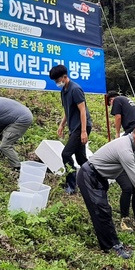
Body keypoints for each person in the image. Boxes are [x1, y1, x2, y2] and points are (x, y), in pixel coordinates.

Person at [77, 123, 135, 259]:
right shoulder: (125, 149)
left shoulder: (131, 145)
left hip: (98, 177)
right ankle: (112, 247)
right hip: (89, 176)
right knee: (102, 211)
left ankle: (113, 244)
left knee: (103, 210)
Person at [48, 64, 92, 194]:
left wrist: (83, 131)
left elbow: (82, 110)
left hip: (81, 127)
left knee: (66, 154)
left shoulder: (75, 89)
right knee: (81, 158)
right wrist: (61, 125)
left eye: (57, 80)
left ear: (65, 77)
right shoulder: (64, 91)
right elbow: (68, 111)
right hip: (74, 127)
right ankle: (92, 180)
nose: (57, 83)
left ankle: (71, 185)